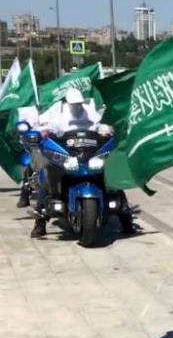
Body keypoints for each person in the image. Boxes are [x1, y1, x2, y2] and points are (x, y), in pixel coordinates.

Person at [30, 89, 118, 238]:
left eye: (79, 104)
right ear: (68, 103)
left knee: (112, 176)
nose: (77, 107)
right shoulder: (59, 113)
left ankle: (124, 212)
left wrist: (107, 130)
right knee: (46, 175)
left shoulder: (89, 111)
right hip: (67, 153)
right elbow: (50, 127)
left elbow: (98, 126)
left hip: (88, 152)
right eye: (74, 104)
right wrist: (43, 131)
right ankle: (40, 219)